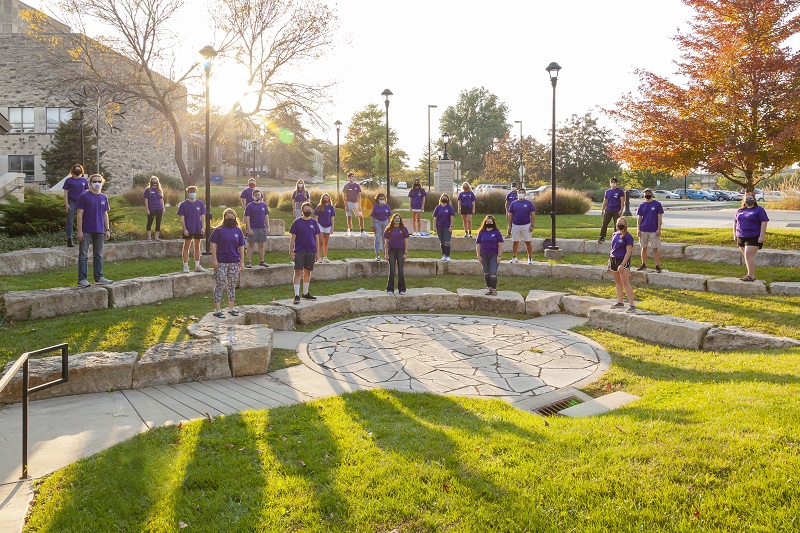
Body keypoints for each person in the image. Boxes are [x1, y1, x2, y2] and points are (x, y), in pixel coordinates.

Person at [75, 174, 112, 287]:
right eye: (95, 181)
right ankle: (82, 279)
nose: (97, 183)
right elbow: (79, 214)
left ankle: (99, 277)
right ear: (90, 183)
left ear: (102, 183)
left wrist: (107, 229)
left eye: (99, 181)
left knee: (99, 255)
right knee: (83, 255)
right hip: (86, 230)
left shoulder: (103, 197)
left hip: (99, 230)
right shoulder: (84, 196)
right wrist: (80, 230)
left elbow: (105, 214)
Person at [209, 208, 245, 317]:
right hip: (221, 262)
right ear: (224, 218)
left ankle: (231, 308)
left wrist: (242, 262)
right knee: (220, 284)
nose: (230, 219)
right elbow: (213, 244)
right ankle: (217, 310)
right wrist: (215, 260)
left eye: (232, 217)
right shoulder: (218, 230)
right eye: (228, 217)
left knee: (232, 285)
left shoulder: (238, 231)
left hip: (234, 262)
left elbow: (241, 247)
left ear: (235, 218)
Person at [289, 201, 321, 304]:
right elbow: (293, 238)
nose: (308, 211)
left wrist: (318, 252)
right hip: (299, 251)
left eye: (309, 210)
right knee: (298, 272)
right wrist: (290, 251)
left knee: (308, 272)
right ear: (302, 211)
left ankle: (305, 293)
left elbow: (317, 238)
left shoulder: (314, 222)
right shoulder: (297, 222)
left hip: (311, 251)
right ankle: (296, 295)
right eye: (306, 210)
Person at [733, 192, 769, 282]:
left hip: (754, 236)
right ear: (744, 200)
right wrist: (735, 234)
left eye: (750, 198)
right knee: (747, 256)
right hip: (741, 236)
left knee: (748, 254)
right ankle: (750, 274)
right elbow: (735, 222)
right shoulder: (740, 210)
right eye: (747, 199)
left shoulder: (759, 210)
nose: (748, 200)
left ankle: (751, 275)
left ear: (754, 199)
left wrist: (761, 236)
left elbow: (764, 223)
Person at [177, 185, 207, 273]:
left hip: (198, 228)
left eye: (194, 191)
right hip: (188, 228)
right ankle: (185, 266)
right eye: (191, 192)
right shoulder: (183, 204)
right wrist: (184, 229)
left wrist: (202, 227)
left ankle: (197, 265)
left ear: (196, 192)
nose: (192, 193)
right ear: (188, 193)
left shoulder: (200, 203)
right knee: (186, 246)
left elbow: (202, 216)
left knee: (197, 246)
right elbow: (182, 218)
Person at [608, 216, 636, 312]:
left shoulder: (628, 237)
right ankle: (620, 302)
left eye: (622, 223)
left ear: (625, 225)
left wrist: (623, 264)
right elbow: (613, 248)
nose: (620, 225)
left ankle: (632, 305)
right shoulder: (614, 234)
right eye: (618, 223)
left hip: (622, 260)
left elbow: (628, 252)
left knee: (625, 283)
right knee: (618, 282)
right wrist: (609, 260)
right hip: (613, 260)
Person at [636, 187, 664, 272]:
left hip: (653, 229)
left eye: (649, 193)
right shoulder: (641, 205)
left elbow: (659, 217)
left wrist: (659, 229)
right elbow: (639, 218)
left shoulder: (657, 204)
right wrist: (638, 229)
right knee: (643, 247)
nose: (647, 194)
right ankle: (643, 264)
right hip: (643, 229)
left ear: (652, 194)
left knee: (655, 248)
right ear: (643, 194)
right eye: (646, 193)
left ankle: (657, 265)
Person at [475, 215, 504, 295]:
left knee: (493, 272)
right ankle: (489, 288)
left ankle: (494, 288)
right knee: (486, 273)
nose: (489, 223)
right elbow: (478, 244)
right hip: (484, 255)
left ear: (493, 223)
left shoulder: (496, 232)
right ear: (485, 222)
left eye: (490, 222)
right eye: (487, 222)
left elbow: (500, 245)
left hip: (494, 255)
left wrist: (499, 256)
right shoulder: (481, 232)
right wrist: (478, 255)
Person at [507, 187, 536, 264]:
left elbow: (533, 214)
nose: (521, 194)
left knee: (528, 241)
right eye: (519, 193)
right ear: (517, 194)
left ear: (525, 194)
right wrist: (509, 226)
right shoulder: (513, 203)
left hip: (526, 225)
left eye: (522, 193)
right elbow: (510, 214)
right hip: (515, 225)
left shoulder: (529, 203)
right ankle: (514, 257)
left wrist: (532, 225)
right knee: (515, 242)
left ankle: (530, 258)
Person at [63, 163, 88, 247]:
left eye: (79, 169)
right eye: (76, 169)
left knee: (83, 219)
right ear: (73, 170)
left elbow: (86, 192)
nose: (78, 171)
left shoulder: (84, 180)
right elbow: (66, 192)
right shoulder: (68, 180)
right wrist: (66, 204)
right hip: (72, 201)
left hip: (81, 201)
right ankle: (69, 239)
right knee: (70, 220)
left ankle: (83, 237)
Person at [244, 188, 269, 268]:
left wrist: (268, 227)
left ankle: (262, 261)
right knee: (251, 244)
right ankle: (249, 262)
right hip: (253, 228)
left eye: (258, 195)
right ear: (252, 196)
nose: (257, 196)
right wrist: (249, 229)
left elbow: (266, 216)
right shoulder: (249, 206)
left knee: (261, 245)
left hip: (262, 228)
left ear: (261, 195)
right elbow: (247, 218)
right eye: (255, 195)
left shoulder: (263, 205)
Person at [384, 213, 409, 294]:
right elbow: (386, 242)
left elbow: (406, 242)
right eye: (395, 218)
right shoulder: (389, 229)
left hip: (401, 251)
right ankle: (390, 289)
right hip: (391, 251)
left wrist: (405, 253)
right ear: (393, 219)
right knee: (392, 270)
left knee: (400, 270)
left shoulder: (404, 229)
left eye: (398, 218)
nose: (397, 219)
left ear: (400, 220)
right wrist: (386, 253)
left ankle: (402, 289)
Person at [599, 177, 624, 243]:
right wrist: (602, 209)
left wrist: (621, 210)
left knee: (617, 224)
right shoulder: (607, 192)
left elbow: (622, 201)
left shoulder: (620, 191)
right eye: (611, 182)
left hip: (617, 210)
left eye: (614, 182)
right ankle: (602, 236)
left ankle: (616, 237)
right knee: (604, 223)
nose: (613, 183)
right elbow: (605, 201)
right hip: (608, 209)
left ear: (616, 183)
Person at [432, 194, 455, 261]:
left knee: (447, 242)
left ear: (448, 199)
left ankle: (448, 256)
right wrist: (434, 226)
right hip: (439, 227)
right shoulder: (438, 207)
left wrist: (451, 226)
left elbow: (452, 217)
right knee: (442, 242)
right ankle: (443, 255)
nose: (444, 198)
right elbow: (435, 218)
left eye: (446, 198)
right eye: (443, 197)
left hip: (447, 227)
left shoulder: (449, 207)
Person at [314, 193, 336, 263]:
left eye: (327, 198)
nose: (326, 199)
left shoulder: (331, 207)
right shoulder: (319, 207)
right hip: (320, 225)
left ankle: (325, 257)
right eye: (324, 198)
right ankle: (319, 257)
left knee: (325, 242)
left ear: (329, 199)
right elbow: (316, 217)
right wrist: (316, 226)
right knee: (320, 241)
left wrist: (332, 227)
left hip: (328, 226)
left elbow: (332, 217)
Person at [143, 175, 164, 241]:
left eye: (156, 181)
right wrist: (147, 209)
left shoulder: (159, 190)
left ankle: (156, 237)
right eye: (153, 181)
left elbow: (161, 199)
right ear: (151, 182)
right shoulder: (148, 190)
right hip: (151, 208)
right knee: (150, 222)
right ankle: (149, 237)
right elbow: (146, 200)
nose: (155, 183)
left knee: (158, 222)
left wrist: (163, 208)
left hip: (159, 208)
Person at [371, 192, 391, 261]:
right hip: (378, 223)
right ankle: (377, 255)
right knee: (377, 239)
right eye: (380, 199)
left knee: (385, 239)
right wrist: (373, 226)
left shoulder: (387, 207)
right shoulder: (375, 207)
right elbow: (373, 217)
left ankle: (386, 254)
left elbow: (389, 216)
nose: (382, 200)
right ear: (378, 199)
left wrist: (389, 225)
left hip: (385, 223)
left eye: (383, 199)